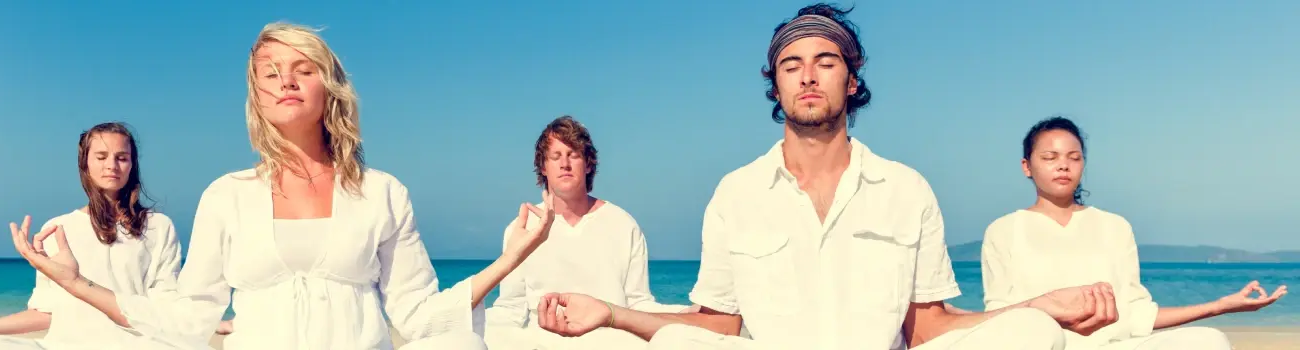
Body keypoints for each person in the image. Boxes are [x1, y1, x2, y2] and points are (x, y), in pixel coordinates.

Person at [529, 3, 1128, 349]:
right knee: (678, 342)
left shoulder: (905, 188)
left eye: (826, 61)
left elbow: (930, 327)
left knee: (1031, 331)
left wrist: (1043, 305)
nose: (808, 75)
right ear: (776, 84)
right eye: (792, 64)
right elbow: (717, 324)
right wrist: (607, 312)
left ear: (853, 79)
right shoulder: (736, 193)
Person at [7, 22, 557, 350]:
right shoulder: (227, 195)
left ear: (329, 86)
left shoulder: (383, 193)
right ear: (257, 96)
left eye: (302, 68)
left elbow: (416, 314)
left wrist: (508, 261)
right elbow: (189, 319)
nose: (286, 80)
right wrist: (77, 286)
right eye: (270, 72)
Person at [979, 116, 1288, 350]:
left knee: (1209, 341)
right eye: (1050, 157)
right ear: (1026, 166)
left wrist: (1221, 305)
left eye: (1074, 158)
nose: (1063, 166)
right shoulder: (1004, 231)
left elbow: (1137, 315)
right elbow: (999, 318)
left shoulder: (1114, 227)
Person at [0, 122, 183, 350]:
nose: (112, 164)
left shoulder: (158, 226)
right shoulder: (58, 228)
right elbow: (45, 312)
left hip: (133, 345)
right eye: (101, 156)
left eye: (121, 158)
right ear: (85, 164)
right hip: (63, 346)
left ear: (132, 165)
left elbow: (165, 309)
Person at [483, 116, 695, 349]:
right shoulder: (522, 228)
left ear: (588, 163)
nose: (565, 163)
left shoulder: (623, 225)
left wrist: (687, 313)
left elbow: (638, 304)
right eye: (556, 156)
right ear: (543, 167)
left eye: (573, 154)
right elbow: (510, 309)